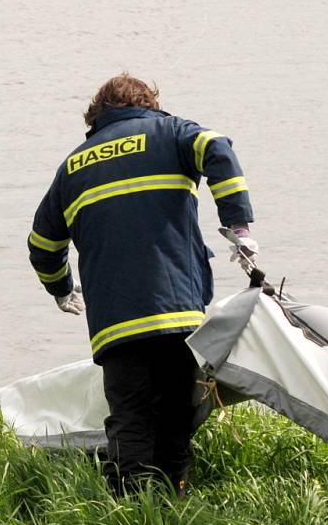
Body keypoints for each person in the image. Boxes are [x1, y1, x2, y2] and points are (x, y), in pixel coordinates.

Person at [28, 73, 257, 497]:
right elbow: (217, 148)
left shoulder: (73, 166)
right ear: (148, 103)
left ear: (96, 115)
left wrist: (62, 289)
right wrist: (236, 222)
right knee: (176, 414)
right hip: (179, 313)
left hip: (117, 324)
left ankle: (132, 517)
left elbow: (42, 244)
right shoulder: (171, 134)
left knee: (131, 417)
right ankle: (173, 502)